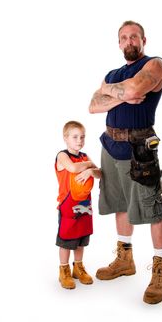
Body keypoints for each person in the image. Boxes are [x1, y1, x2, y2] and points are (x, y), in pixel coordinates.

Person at [89, 21, 162, 304]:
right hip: (110, 146)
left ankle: (160, 269)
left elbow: (135, 90)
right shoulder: (113, 74)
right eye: (123, 37)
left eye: (133, 36)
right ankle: (125, 259)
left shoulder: (155, 65)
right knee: (119, 203)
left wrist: (108, 91)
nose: (128, 41)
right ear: (119, 43)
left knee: (152, 208)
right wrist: (117, 92)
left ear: (143, 39)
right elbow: (92, 105)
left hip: (139, 149)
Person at [55, 120, 101, 289]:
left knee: (81, 239)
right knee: (66, 239)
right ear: (65, 138)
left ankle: (78, 267)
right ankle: (64, 270)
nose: (79, 140)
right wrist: (89, 165)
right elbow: (73, 169)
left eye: (82, 137)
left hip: (85, 204)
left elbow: (100, 173)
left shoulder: (84, 156)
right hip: (68, 205)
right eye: (75, 137)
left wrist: (90, 170)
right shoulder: (62, 155)